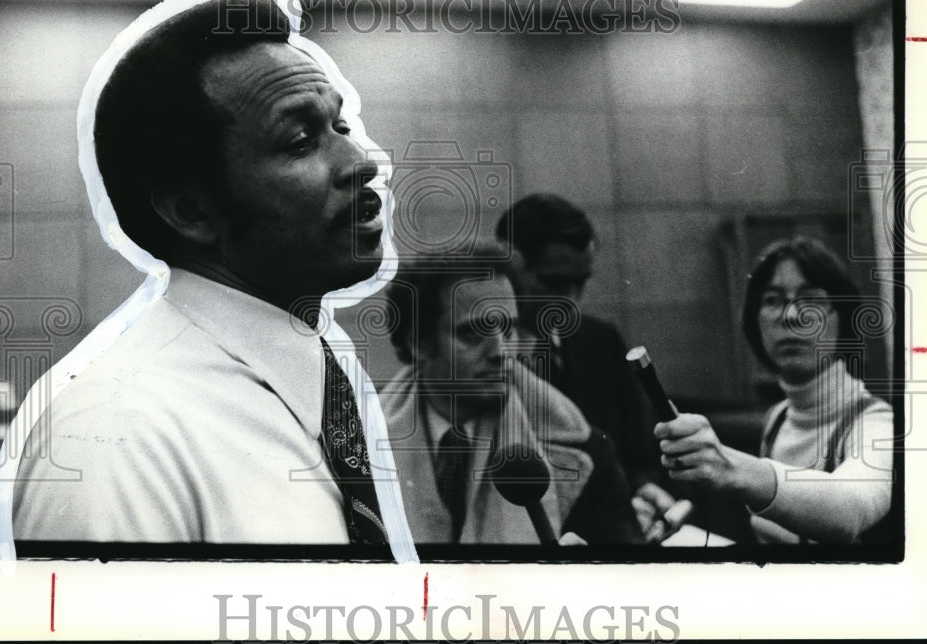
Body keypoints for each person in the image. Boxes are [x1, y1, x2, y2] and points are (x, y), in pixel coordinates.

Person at [0, 0, 416, 560]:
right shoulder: (114, 438)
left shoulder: (322, 389)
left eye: (340, 127)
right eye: (299, 141)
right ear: (192, 210)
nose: (361, 162)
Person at [380, 245, 643, 546]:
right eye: (473, 333)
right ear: (420, 344)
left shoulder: (583, 451)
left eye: (508, 330)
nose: (501, 352)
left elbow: (627, 575)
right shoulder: (354, 447)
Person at [655, 237, 893, 544]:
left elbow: (853, 508)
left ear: (843, 319)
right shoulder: (778, 419)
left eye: (811, 300)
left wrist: (731, 468)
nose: (791, 316)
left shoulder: (876, 422)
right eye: (773, 300)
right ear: (755, 321)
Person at [495, 193, 679, 541]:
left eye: (581, 282)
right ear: (512, 267)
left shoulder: (601, 340)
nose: (572, 300)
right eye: (555, 283)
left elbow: (640, 451)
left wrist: (644, 494)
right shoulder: (479, 361)